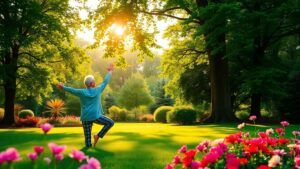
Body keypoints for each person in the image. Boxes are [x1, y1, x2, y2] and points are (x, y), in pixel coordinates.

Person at [57, 63, 115, 148]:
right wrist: (110, 71)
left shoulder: (82, 92)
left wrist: (63, 87)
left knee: (87, 141)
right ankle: (98, 135)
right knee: (110, 123)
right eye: (94, 80)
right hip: (96, 116)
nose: (95, 81)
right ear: (92, 83)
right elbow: (105, 81)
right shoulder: (98, 90)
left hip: (85, 117)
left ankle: (88, 147)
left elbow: (72, 90)